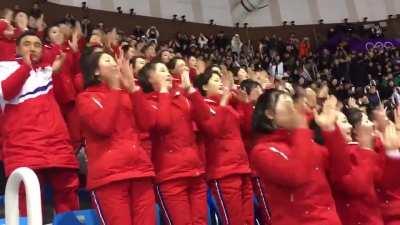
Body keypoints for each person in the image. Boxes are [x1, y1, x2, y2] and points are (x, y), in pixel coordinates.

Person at [0, 31, 79, 214]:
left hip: (57, 144)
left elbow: (67, 99)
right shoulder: (4, 67)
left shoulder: (47, 70)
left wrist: (57, 72)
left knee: (67, 195)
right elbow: (7, 92)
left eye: (37, 45)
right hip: (24, 146)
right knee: (27, 199)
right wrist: (25, 67)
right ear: (17, 48)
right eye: (27, 44)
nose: (33, 48)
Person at [76, 51, 155, 225]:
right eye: (108, 60)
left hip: (140, 171)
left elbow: (148, 123)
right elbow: (103, 126)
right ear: (96, 71)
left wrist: (133, 89)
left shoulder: (127, 94)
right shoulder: (86, 98)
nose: (115, 65)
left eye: (115, 61)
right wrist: (115, 89)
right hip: (109, 177)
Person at [251, 90, 346, 225]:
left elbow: (342, 170)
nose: (293, 110)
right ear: (269, 114)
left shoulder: (303, 140)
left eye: (292, 104)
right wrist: (300, 127)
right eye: (286, 104)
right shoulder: (262, 151)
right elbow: (296, 175)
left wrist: (330, 129)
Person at [135, 61, 207, 225]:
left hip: (195, 170)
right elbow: (163, 124)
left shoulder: (181, 98)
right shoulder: (147, 102)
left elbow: (205, 118)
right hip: (170, 176)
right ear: (149, 78)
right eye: (161, 71)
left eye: (168, 70)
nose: (168, 74)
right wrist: (163, 92)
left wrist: (191, 91)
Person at [190, 70, 255, 225]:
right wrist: (224, 101)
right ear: (205, 86)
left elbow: (248, 128)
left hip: (243, 168)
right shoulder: (203, 105)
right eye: (215, 80)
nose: (220, 83)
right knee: (234, 221)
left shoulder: (229, 108)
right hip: (223, 171)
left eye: (221, 80)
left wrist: (244, 103)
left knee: (248, 220)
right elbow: (213, 129)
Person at [332, 108, 385, 225]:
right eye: (344, 122)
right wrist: (367, 148)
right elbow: (357, 185)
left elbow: (381, 178)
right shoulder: (338, 156)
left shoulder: (362, 149)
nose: (349, 127)